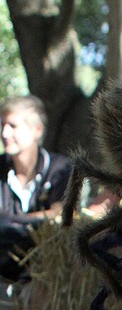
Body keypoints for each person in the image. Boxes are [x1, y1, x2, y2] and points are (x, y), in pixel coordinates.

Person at [0, 95, 72, 284]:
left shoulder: (61, 169)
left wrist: (11, 222)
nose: (5, 133)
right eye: (2, 125)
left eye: (12, 126)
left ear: (37, 130)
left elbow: (59, 215)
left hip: (45, 278)